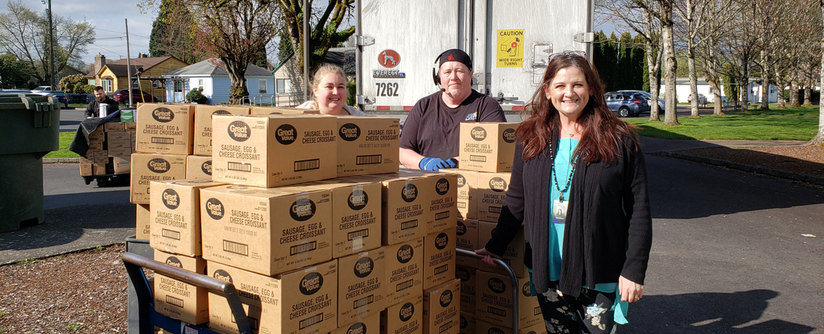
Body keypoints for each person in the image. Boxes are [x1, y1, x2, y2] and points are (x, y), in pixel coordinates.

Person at [475, 51, 652, 333]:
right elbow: (517, 199)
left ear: (591, 89)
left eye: (578, 84)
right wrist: (497, 244)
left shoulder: (619, 139)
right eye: (560, 86)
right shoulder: (531, 137)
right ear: (547, 91)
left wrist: (633, 270)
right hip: (548, 267)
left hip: (599, 271)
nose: (569, 93)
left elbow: (639, 208)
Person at [399, 49, 506, 171]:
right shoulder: (424, 105)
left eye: (459, 71)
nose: (453, 77)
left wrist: (456, 162)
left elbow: (497, 149)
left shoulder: (486, 106)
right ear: (438, 78)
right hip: (428, 183)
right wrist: (424, 162)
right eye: (447, 72)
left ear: (470, 75)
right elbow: (402, 151)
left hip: (471, 185)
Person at [296, 63, 367, 115]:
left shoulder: (360, 118)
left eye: (340, 87)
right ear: (315, 91)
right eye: (329, 87)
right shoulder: (297, 115)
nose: (336, 92)